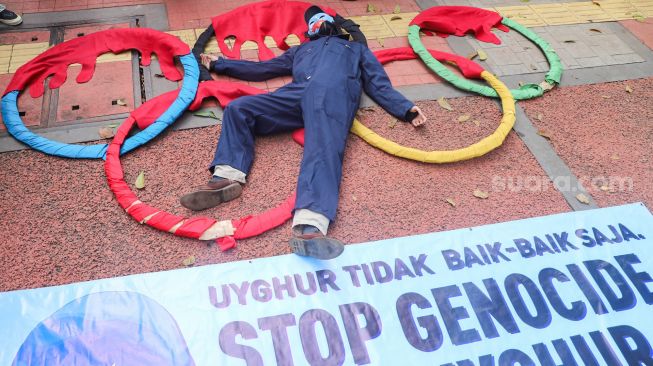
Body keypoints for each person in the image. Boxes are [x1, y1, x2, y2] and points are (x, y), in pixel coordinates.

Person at [181, 5, 427, 260]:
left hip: (333, 97)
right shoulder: (299, 50)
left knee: (323, 148)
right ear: (308, 31)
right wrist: (223, 64)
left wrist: (406, 109)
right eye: (314, 21)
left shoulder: (356, 49)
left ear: (335, 24)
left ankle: (310, 226)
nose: (319, 22)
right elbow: (264, 69)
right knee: (239, 108)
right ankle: (227, 176)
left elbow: (378, 83)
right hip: (295, 95)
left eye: (323, 18)